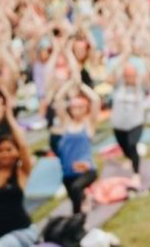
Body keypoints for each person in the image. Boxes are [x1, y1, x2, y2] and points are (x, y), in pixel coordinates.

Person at [0, 92, 38, 247]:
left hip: (23, 233)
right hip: (0, 237)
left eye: (9, 149)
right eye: (0, 150)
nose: (5, 154)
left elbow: (24, 146)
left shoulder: (21, 172)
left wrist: (10, 117)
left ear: (16, 152)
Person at [54, 80, 100, 214]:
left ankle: (77, 221)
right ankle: (85, 201)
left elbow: (96, 100)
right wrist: (68, 84)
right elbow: (58, 100)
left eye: (81, 108)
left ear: (86, 109)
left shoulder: (88, 124)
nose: (77, 111)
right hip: (68, 172)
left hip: (86, 169)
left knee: (76, 190)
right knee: (75, 197)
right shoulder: (66, 124)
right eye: (75, 108)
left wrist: (81, 85)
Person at [109, 61, 149, 182]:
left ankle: (136, 173)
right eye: (127, 75)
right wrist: (122, 58)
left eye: (132, 75)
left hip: (135, 123)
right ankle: (131, 159)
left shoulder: (140, 86)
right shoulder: (118, 87)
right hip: (119, 125)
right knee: (125, 148)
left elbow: (148, 76)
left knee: (132, 145)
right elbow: (110, 77)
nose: (129, 78)